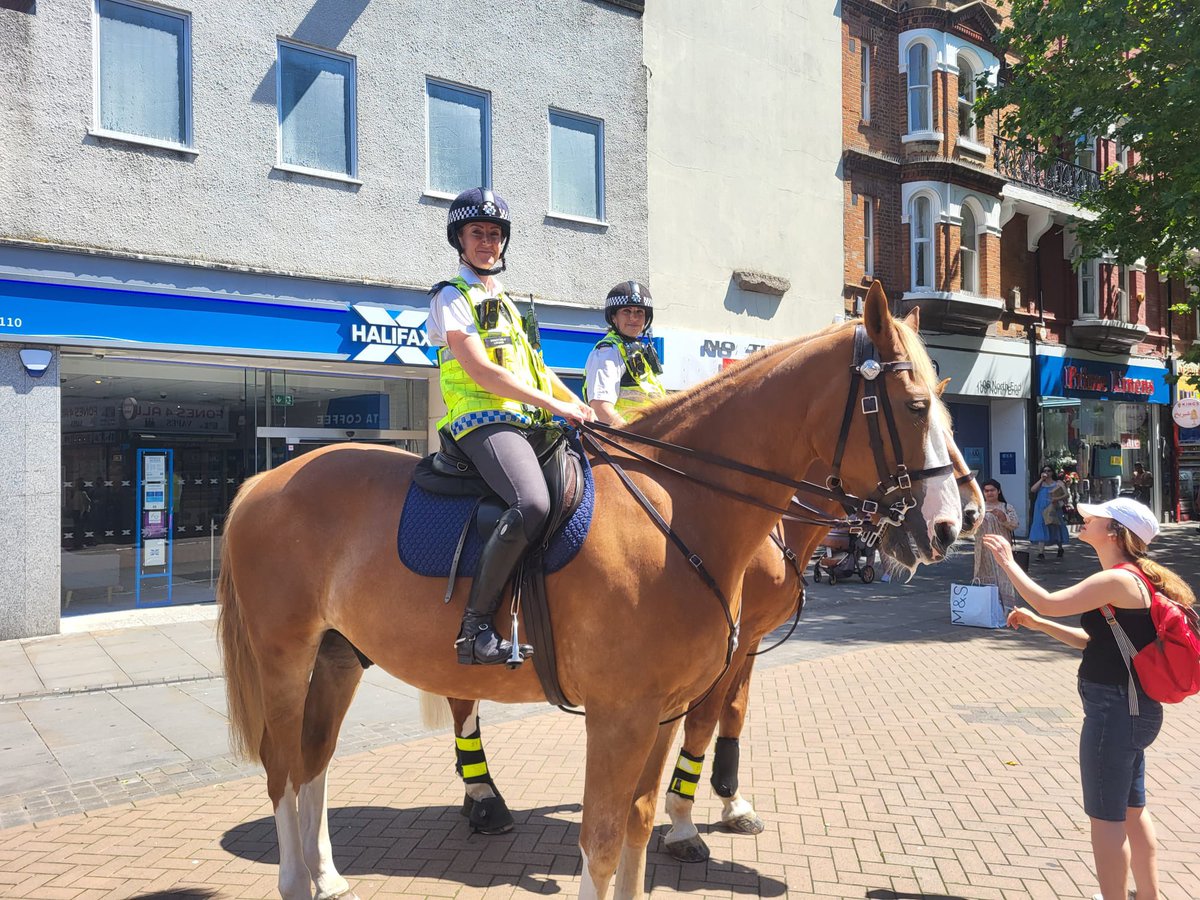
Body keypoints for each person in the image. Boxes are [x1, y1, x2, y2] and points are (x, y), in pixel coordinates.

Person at [983, 497, 1192, 900]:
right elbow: (1099, 645)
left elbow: (1048, 600)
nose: (1084, 518)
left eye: (1095, 516)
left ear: (1115, 531)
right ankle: (1145, 896)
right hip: (1130, 711)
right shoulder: (1129, 578)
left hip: (1116, 712)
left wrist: (1009, 562)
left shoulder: (1117, 580)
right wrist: (1041, 625)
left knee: (1106, 819)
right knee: (1131, 811)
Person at [427, 187, 594, 665]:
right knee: (534, 502)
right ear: (459, 239)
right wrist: (551, 404)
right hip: (481, 421)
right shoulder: (450, 297)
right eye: (477, 232)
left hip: (527, 421)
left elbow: (541, 374)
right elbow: (480, 370)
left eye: (495, 234)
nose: (487, 242)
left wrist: (581, 408)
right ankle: (474, 630)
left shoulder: (508, 305)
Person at [582, 281, 667, 426]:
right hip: (620, 442)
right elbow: (601, 408)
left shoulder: (639, 351)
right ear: (614, 317)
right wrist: (633, 440)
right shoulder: (607, 352)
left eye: (639, 312)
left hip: (646, 440)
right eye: (626, 311)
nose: (633, 318)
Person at [973, 479, 1019, 608]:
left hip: (1001, 548)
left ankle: (1006, 609)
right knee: (983, 576)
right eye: (986, 491)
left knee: (1004, 576)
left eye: (992, 490)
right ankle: (987, 609)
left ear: (998, 491)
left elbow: (1015, 525)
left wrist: (1003, 517)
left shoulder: (1006, 507)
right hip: (983, 550)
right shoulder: (977, 507)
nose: (989, 493)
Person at [1030, 465, 1069, 559]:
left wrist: (1056, 499)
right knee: (1041, 526)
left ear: (1052, 472)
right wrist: (1041, 480)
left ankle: (1060, 547)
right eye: (1044, 471)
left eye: (1049, 471)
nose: (1046, 472)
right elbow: (1033, 490)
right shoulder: (1041, 484)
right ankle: (1041, 552)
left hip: (1053, 507)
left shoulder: (1058, 483)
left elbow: (1066, 495)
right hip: (1040, 508)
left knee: (1055, 526)